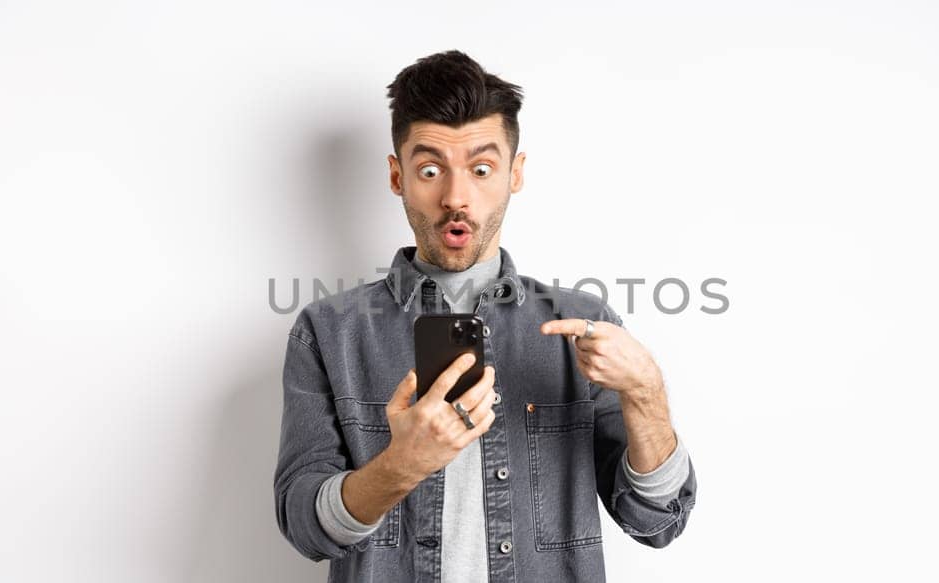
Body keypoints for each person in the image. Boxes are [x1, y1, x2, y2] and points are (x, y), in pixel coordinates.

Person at [273, 49, 696, 582]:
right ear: (397, 176)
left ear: (514, 174)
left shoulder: (585, 323)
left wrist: (647, 395)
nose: (456, 197)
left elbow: (655, 522)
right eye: (430, 169)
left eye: (481, 168)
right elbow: (302, 524)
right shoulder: (328, 332)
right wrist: (398, 467)